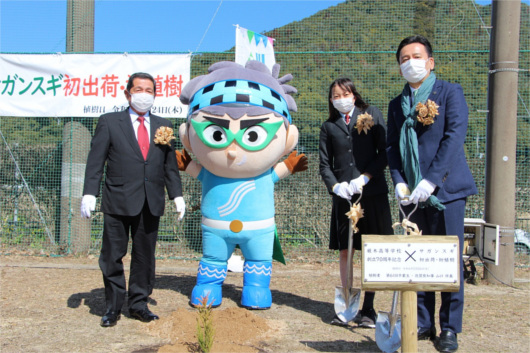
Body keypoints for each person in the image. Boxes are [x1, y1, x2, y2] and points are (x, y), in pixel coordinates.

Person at [176, 60, 307, 310]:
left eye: (253, 135)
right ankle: (209, 286)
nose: (233, 152)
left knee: (259, 259)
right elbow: (199, 172)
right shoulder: (210, 172)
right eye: (216, 133)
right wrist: (186, 165)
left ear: (288, 137)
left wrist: (289, 166)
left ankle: (256, 289)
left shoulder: (263, 174)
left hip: (259, 226)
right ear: (188, 135)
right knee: (213, 258)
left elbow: (275, 173)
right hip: (216, 226)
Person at [386, 35, 477, 353]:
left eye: (416, 56)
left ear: (430, 61)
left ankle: (450, 328)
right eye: (403, 59)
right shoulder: (397, 104)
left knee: (447, 260)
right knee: (417, 258)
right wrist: (399, 181)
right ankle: (423, 322)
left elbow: (453, 137)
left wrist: (432, 181)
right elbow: (391, 147)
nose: (410, 62)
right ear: (399, 68)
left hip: (447, 191)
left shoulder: (449, 92)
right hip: (410, 196)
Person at [80, 72, 186, 327]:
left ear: (155, 95)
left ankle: (139, 304)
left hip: (151, 201)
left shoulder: (164, 125)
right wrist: (89, 192)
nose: (144, 94)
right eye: (139, 89)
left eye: (149, 90)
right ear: (127, 93)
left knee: (144, 256)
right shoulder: (109, 122)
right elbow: (96, 161)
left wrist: (177, 195)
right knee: (112, 255)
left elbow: (169, 166)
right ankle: (113, 307)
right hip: (117, 199)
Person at [319, 78, 393, 328]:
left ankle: (368, 308)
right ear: (331, 100)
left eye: (346, 93)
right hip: (344, 197)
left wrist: (365, 177)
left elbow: (384, 152)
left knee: (373, 250)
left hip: (371, 194)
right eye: (336, 95)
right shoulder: (329, 126)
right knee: (345, 250)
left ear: (354, 94)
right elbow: (324, 164)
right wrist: (336, 186)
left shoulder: (370, 114)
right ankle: (347, 306)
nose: (341, 98)